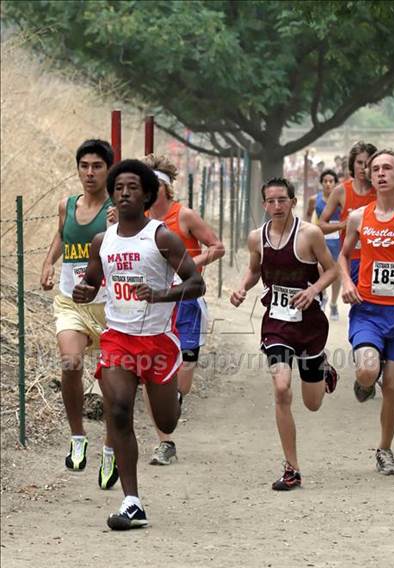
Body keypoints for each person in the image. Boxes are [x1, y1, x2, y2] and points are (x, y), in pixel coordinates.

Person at [73, 159, 205, 530]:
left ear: (147, 194)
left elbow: (196, 284)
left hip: (158, 342)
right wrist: (85, 291)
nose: (124, 193)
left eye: (132, 187)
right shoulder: (103, 240)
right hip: (117, 338)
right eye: (119, 188)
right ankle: (132, 502)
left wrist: (161, 294)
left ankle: (173, 399)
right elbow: (93, 282)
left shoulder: (162, 237)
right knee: (117, 411)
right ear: (112, 195)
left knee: (166, 421)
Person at [230, 177, 338, 491]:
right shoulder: (256, 238)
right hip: (276, 323)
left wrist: (314, 289)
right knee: (280, 388)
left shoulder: (310, 234)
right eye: (271, 201)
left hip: (310, 325)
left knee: (313, 403)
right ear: (264, 204)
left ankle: (324, 369)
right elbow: (254, 270)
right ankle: (292, 469)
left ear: (292, 201)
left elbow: (332, 270)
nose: (277, 207)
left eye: (282, 200)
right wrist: (241, 288)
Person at [40, 139, 119, 490]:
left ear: (108, 170)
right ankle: (77, 436)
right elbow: (61, 235)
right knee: (70, 362)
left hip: (112, 307)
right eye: (84, 166)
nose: (90, 173)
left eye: (97, 166)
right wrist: (47, 263)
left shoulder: (118, 208)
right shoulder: (66, 205)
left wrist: (121, 225)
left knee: (113, 386)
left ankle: (110, 450)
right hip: (71, 302)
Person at [339, 149, 394, 476]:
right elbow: (343, 256)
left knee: (393, 384)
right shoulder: (359, 217)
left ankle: (384, 450)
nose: (381, 173)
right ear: (369, 176)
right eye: (376, 169)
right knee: (369, 372)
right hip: (369, 309)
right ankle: (363, 381)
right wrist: (346, 281)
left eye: (388, 168)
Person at [141, 153, 225, 465]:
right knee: (154, 373)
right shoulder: (139, 217)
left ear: (163, 187)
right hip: (154, 304)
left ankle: (173, 402)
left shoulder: (184, 216)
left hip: (187, 301)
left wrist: (191, 265)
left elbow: (217, 246)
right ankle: (165, 442)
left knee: (183, 377)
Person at [319, 141, 377, 284]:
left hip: (377, 257)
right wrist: (344, 225)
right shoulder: (341, 191)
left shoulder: (380, 190)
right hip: (352, 259)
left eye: (367, 163)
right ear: (352, 164)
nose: (363, 168)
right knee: (357, 303)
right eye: (359, 162)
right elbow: (321, 225)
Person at [306, 169, 341, 320]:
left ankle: (333, 304)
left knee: (337, 273)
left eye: (331, 181)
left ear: (335, 183)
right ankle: (324, 295)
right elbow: (308, 214)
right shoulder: (314, 199)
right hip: (321, 238)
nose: (328, 184)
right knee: (319, 268)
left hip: (338, 239)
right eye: (325, 181)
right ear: (321, 183)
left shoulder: (341, 199)